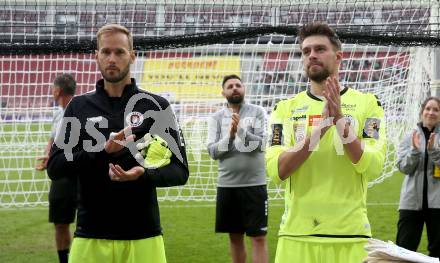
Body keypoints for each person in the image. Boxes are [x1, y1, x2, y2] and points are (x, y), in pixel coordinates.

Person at [47, 24, 189, 263]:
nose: (112, 59)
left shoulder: (156, 106)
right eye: (106, 52)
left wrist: (142, 173)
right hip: (90, 234)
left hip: (144, 235)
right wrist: (101, 151)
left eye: (120, 52)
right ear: (97, 56)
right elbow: (56, 166)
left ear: (132, 56)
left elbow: (180, 170)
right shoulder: (79, 107)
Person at [265, 22, 387, 262]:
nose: (312, 55)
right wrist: (320, 129)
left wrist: (340, 121)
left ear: (338, 56)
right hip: (297, 236)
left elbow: (372, 165)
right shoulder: (285, 109)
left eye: (320, 49)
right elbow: (277, 170)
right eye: (306, 51)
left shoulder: (368, 104)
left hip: (350, 237)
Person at [207, 74, 268, 263]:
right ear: (223, 92)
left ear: (244, 89)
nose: (234, 88)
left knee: (258, 238)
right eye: (230, 86)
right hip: (228, 187)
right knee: (235, 238)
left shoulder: (257, 112)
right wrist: (231, 136)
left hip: (255, 185)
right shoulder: (216, 118)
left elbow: (262, 144)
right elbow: (213, 151)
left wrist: (240, 130)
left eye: (238, 85)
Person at [36, 73, 77, 263]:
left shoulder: (80, 110)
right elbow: (52, 140)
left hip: (79, 174)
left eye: (53, 88)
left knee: (88, 223)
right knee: (61, 223)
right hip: (61, 177)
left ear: (58, 90)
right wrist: (47, 157)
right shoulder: (57, 113)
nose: (52, 92)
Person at [396, 96, 440, 257]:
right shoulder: (410, 136)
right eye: (428, 108)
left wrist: (434, 152)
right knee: (404, 251)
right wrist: (415, 151)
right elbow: (403, 167)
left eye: (436, 109)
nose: (431, 112)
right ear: (422, 112)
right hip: (411, 202)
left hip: (438, 205)